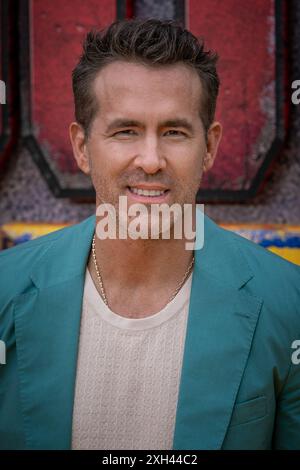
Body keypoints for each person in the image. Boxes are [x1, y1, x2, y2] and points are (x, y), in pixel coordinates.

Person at [0, 18, 299, 451]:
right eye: (126, 131)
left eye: (174, 132)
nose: (152, 160)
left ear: (210, 146)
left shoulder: (287, 302)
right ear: (82, 147)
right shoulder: (6, 289)